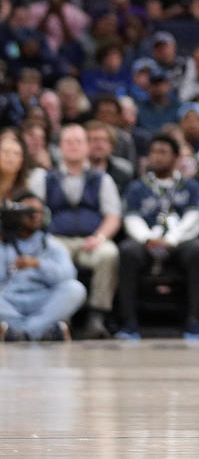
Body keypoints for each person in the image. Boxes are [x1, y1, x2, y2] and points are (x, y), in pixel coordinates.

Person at [28, 123, 122, 340]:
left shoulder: (101, 178)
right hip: (56, 238)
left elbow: (113, 216)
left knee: (109, 254)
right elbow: (32, 212)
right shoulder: (44, 178)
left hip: (91, 239)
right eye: (68, 142)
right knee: (53, 254)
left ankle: (96, 318)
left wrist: (100, 237)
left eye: (78, 142)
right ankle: (61, 317)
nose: (73, 146)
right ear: (59, 147)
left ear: (87, 147)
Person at [116, 135, 199, 341]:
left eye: (163, 152)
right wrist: (147, 238)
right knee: (127, 251)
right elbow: (131, 217)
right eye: (153, 152)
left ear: (176, 157)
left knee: (198, 250)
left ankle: (195, 320)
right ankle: (129, 322)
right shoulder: (137, 187)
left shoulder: (190, 186)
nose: (157, 157)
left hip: (180, 240)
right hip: (146, 240)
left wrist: (173, 239)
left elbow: (194, 217)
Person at [0, 190, 86, 342]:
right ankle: (42, 331)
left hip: (42, 299)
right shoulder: (4, 244)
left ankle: (21, 333)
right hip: (10, 300)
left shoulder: (52, 244)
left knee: (75, 289)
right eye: (29, 211)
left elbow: (67, 275)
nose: (35, 216)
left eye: (39, 211)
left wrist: (38, 264)